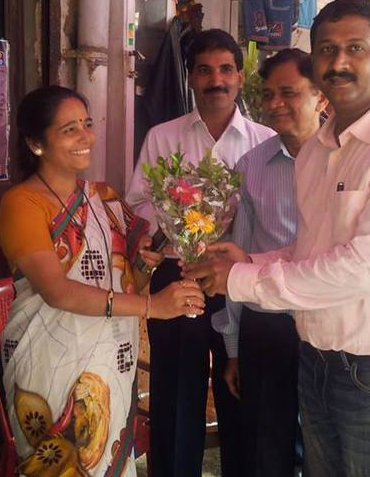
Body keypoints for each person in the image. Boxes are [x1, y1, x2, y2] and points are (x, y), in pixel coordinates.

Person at [184, 0, 370, 476]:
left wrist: (242, 280)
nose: (339, 62)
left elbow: (361, 267)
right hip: (320, 359)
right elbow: (313, 250)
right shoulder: (319, 149)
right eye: (327, 50)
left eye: (356, 48)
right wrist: (251, 259)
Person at [0, 86, 205, 477]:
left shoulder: (104, 198)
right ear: (35, 143)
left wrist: (146, 259)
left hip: (108, 366)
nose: (85, 137)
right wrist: (154, 308)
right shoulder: (22, 203)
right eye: (69, 129)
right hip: (50, 366)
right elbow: (57, 292)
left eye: (87, 125)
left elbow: (131, 283)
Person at [125, 28, 275, 477]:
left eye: (226, 69)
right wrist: (173, 227)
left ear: (239, 75)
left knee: (239, 387)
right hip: (179, 277)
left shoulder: (265, 142)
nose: (216, 80)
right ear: (190, 77)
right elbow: (139, 203)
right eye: (205, 70)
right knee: (175, 390)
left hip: (240, 281)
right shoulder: (162, 136)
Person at [214, 48, 325, 476]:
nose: (275, 103)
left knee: (324, 443)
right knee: (267, 444)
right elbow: (239, 261)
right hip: (268, 325)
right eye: (268, 94)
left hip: (328, 320)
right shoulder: (253, 165)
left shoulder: (346, 159)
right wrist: (234, 348)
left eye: (289, 93)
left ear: (320, 96)